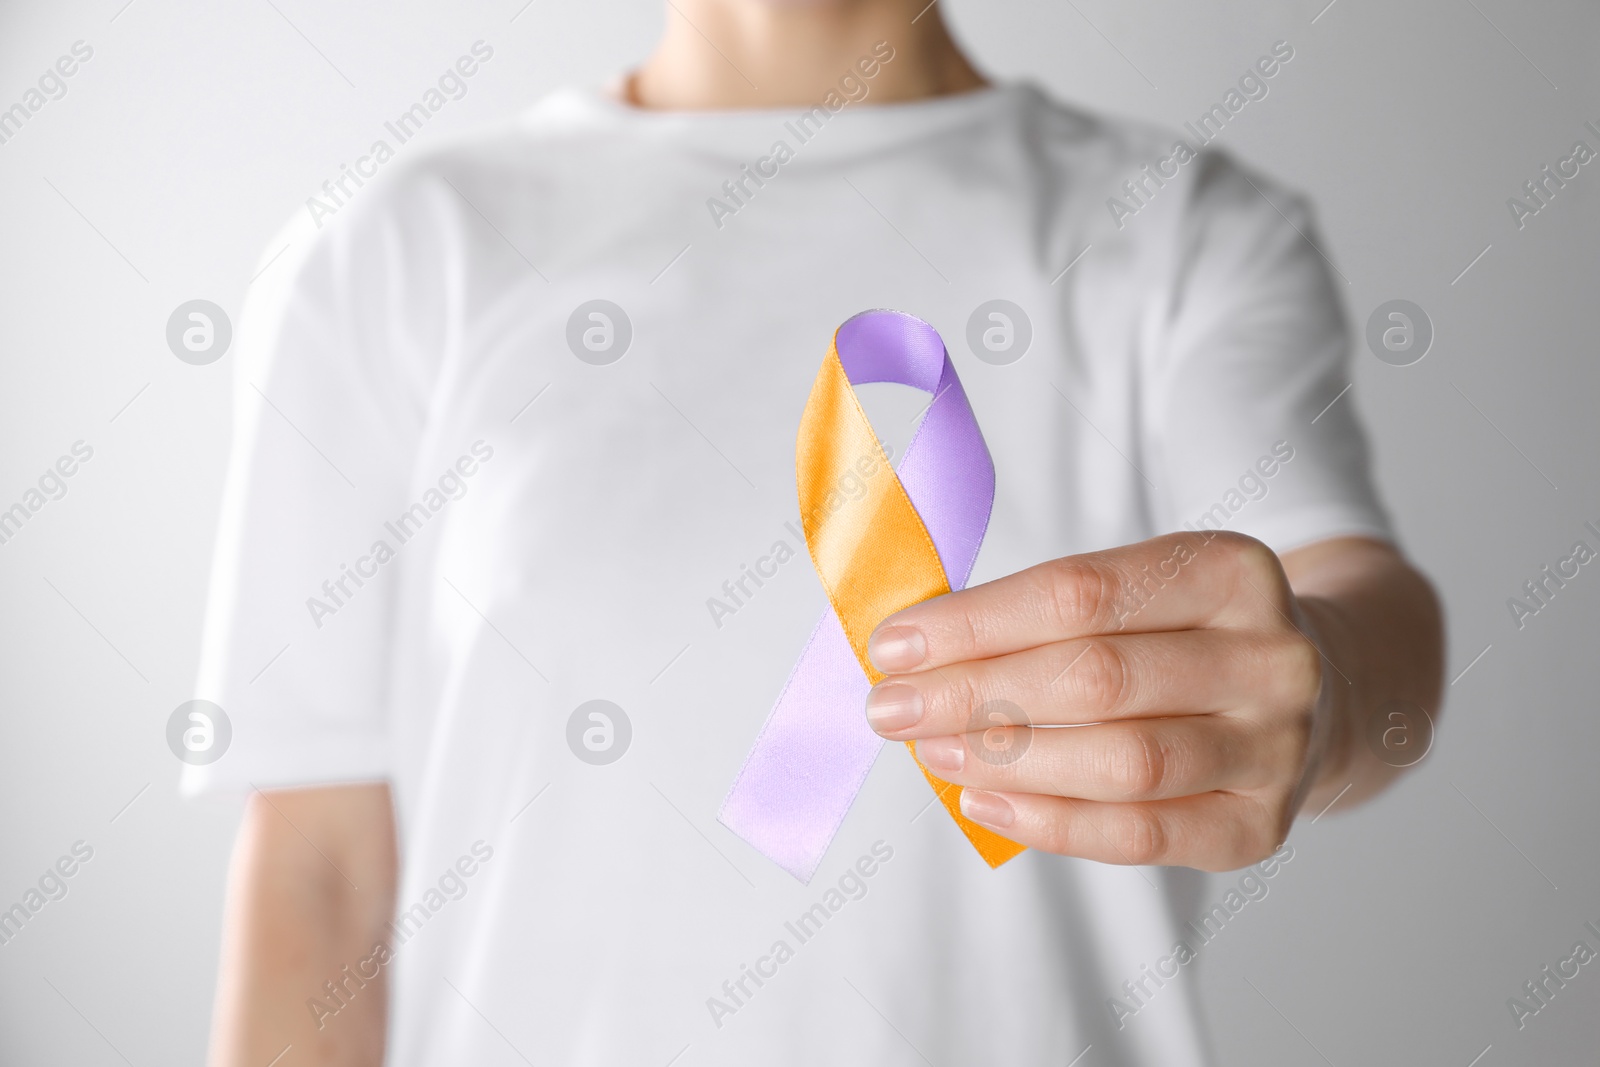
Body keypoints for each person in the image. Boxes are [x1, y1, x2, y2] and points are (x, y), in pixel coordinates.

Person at [193, 1, 1443, 1064]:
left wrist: (1321, 688)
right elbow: (321, 865)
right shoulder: (391, 251)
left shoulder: (1184, 232)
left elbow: (1350, 593)